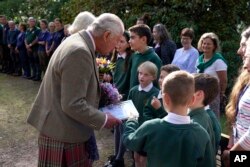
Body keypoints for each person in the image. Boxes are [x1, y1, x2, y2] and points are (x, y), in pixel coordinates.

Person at [27, 13, 124, 167]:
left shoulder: (78, 41)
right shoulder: (79, 51)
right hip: (63, 133)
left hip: (61, 128)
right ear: (107, 35)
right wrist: (104, 119)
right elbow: (72, 104)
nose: (117, 46)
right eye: (117, 40)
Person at [123, 71, 215, 167]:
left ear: (165, 99)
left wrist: (131, 120)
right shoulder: (201, 134)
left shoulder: (151, 127)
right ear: (192, 100)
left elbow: (129, 141)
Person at [196, 32, 227, 118]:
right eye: (204, 43)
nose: (206, 46)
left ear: (214, 46)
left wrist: (221, 93)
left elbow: (223, 80)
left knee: (212, 117)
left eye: (209, 44)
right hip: (200, 92)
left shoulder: (218, 61)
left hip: (212, 94)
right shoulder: (199, 59)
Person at [188, 73, 221, 154]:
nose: (180, 91)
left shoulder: (197, 124)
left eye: (186, 89)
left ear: (198, 94)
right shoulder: (198, 115)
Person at [128, 24, 162, 89]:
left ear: (143, 39)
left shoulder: (154, 58)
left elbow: (157, 85)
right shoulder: (134, 55)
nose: (129, 41)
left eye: (132, 37)